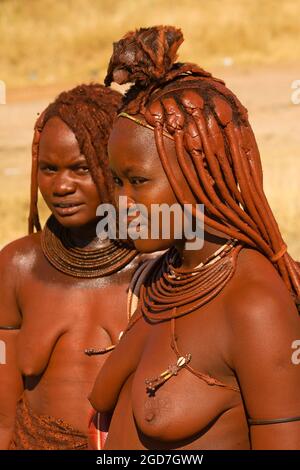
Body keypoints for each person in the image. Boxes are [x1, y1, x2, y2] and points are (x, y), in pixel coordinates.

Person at [89, 26, 300, 450]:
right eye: (117, 181)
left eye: (137, 181)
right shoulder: (160, 277)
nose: (121, 203)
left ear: (200, 174)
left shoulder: (253, 305)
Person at [0, 83, 141, 450]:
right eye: (49, 168)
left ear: (115, 168)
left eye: (81, 168)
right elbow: (2, 413)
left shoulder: (153, 269)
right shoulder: (18, 265)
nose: (61, 186)